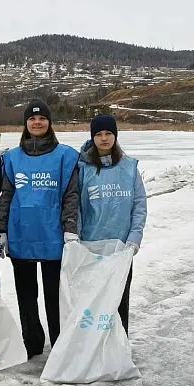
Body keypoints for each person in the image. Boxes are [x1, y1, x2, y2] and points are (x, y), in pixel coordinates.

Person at [0, 99, 80, 359]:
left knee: (55, 296)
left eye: (42, 118)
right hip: (21, 234)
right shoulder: (12, 158)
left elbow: (71, 196)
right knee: (26, 295)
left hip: (53, 235)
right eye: (32, 119)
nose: (37, 122)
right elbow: (7, 196)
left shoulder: (65, 156)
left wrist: (70, 228)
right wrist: (2, 230)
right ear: (25, 124)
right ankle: (32, 343)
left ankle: (59, 344)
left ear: (49, 122)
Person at [76, 114, 147, 335]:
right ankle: (93, 347)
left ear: (115, 136)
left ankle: (119, 348)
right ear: (92, 137)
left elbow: (139, 204)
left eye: (108, 133)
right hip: (92, 248)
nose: (104, 139)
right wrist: (76, 239)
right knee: (94, 303)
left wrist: (134, 239)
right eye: (98, 134)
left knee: (119, 301)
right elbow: (76, 205)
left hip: (121, 248)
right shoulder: (84, 168)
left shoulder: (128, 167)